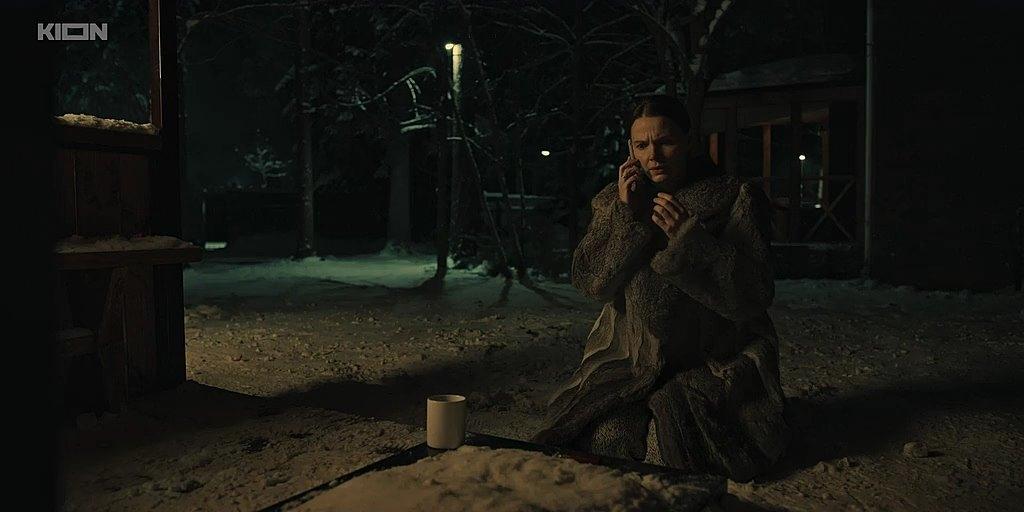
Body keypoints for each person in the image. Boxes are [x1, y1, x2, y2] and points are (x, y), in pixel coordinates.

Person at [531, 94, 788, 482]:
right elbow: (592, 284)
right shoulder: (616, 201)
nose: (654, 155)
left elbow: (754, 296)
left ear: (689, 141)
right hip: (631, 357)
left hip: (712, 357)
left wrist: (694, 244)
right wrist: (625, 218)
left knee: (681, 453)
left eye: (665, 141)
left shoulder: (734, 197)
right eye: (642, 145)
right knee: (605, 442)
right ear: (630, 150)